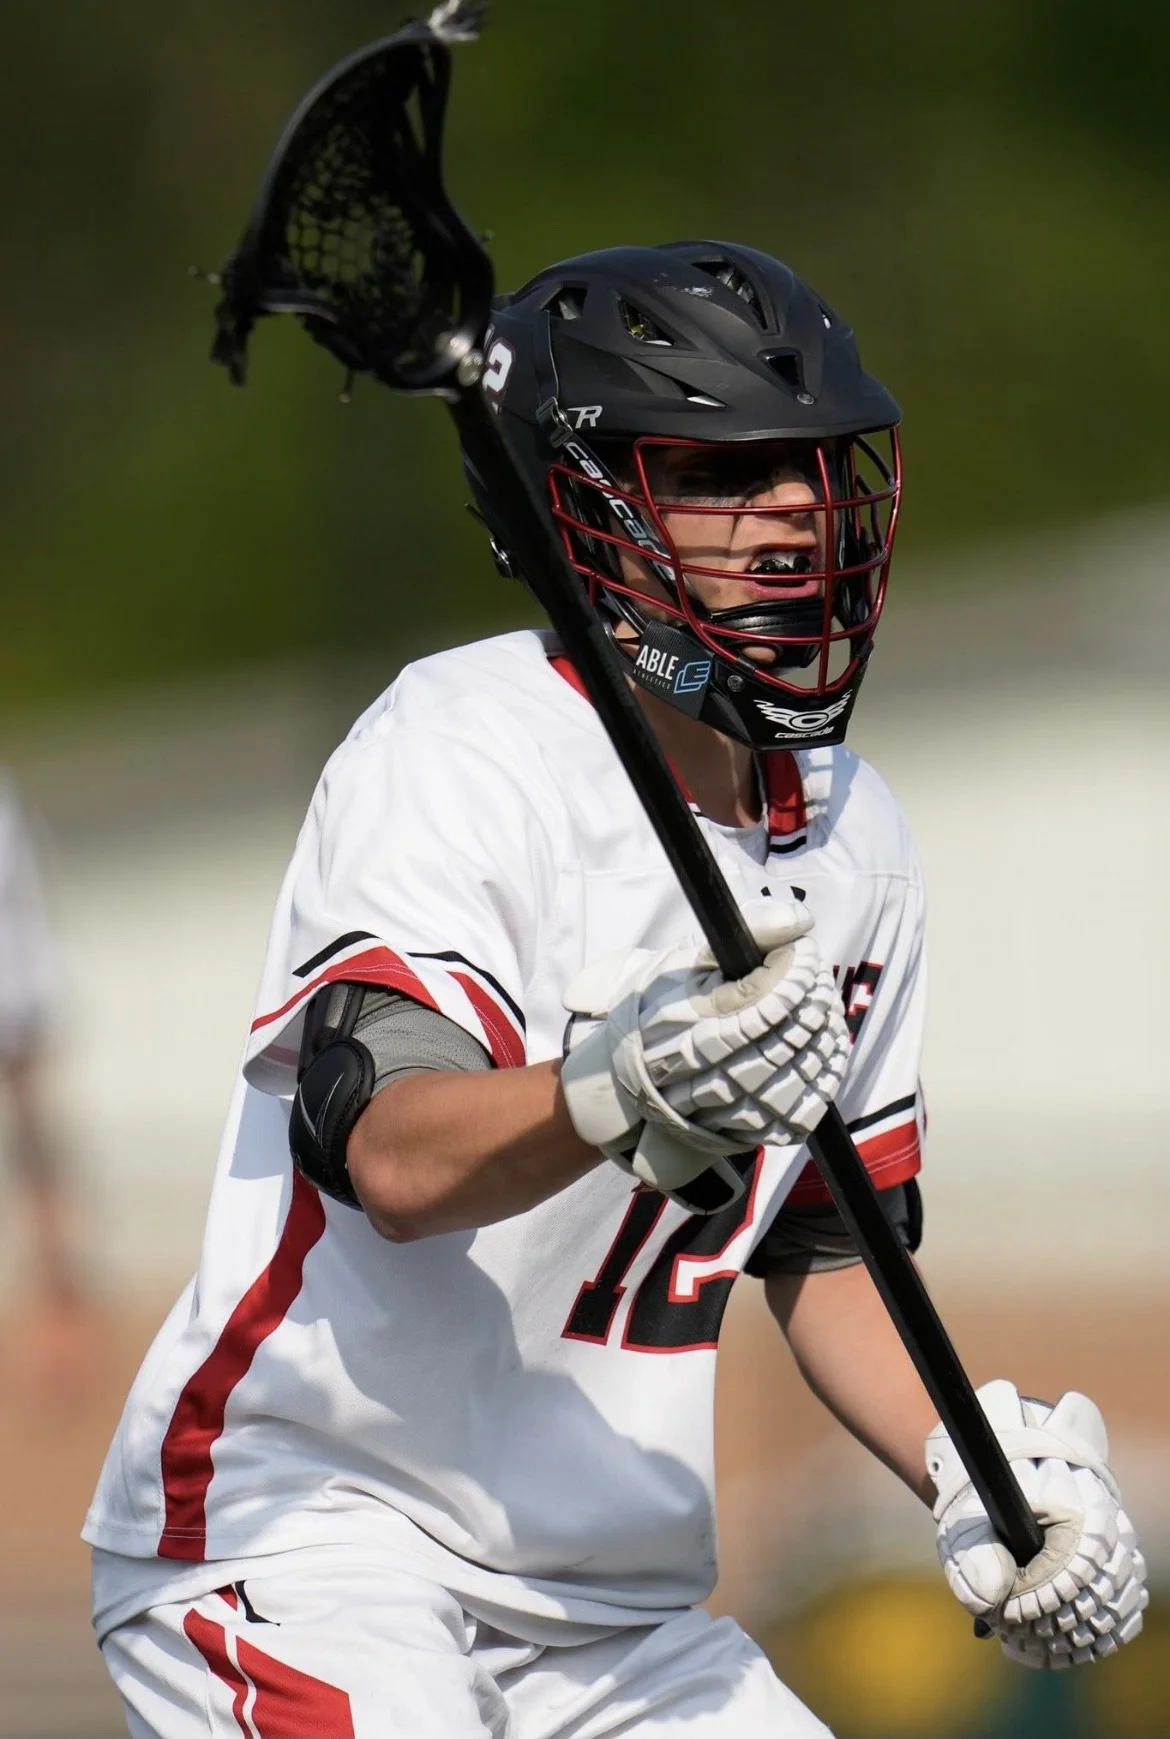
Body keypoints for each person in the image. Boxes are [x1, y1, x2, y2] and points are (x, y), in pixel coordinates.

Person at [85, 243, 1147, 1737]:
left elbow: (823, 1251)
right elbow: (390, 1153)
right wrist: (616, 1086)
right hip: (312, 1531)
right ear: (589, 513)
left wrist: (975, 1466)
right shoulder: (462, 747)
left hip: (614, 1610)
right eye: (724, 469)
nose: (790, 504)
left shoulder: (857, 839)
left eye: (806, 463)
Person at [0, 772, 90, 1399]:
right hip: (23, 999)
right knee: (41, 1168)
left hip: (17, 1004)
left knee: (41, 1169)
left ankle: (65, 1325)